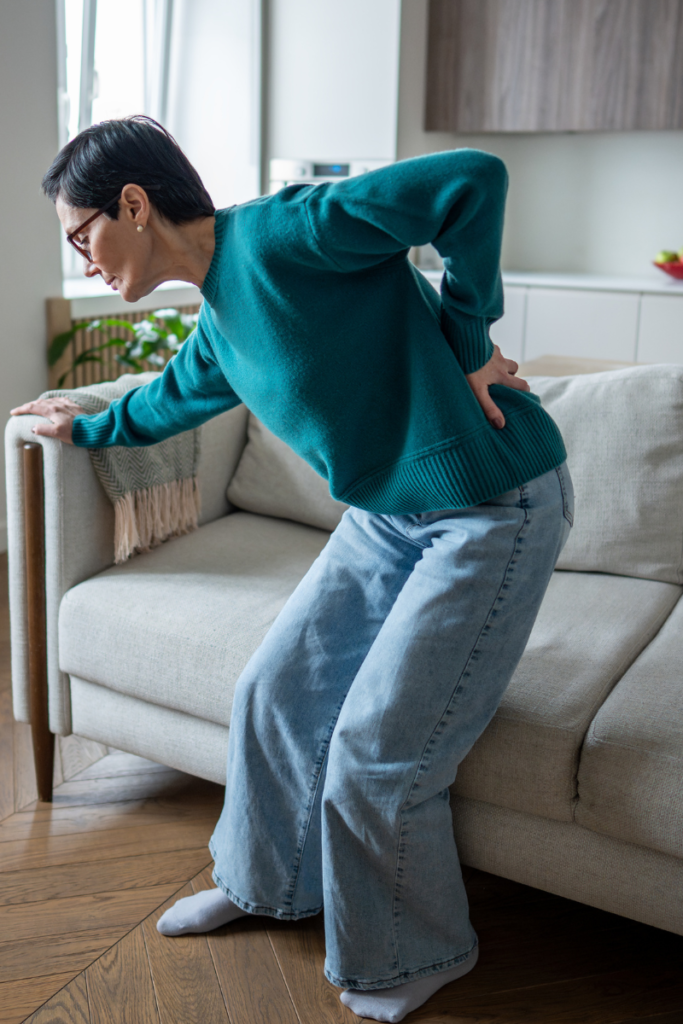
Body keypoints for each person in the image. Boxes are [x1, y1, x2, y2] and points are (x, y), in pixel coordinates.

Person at [13, 116, 573, 1024]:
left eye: (83, 235)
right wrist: (82, 422)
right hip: (388, 517)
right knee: (270, 694)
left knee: (373, 753)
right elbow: (165, 400)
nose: (83, 259)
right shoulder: (219, 324)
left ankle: (415, 953)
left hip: (488, 506)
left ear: (134, 203)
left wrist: (467, 335)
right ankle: (264, 885)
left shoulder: (280, 234)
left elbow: (470, 177)